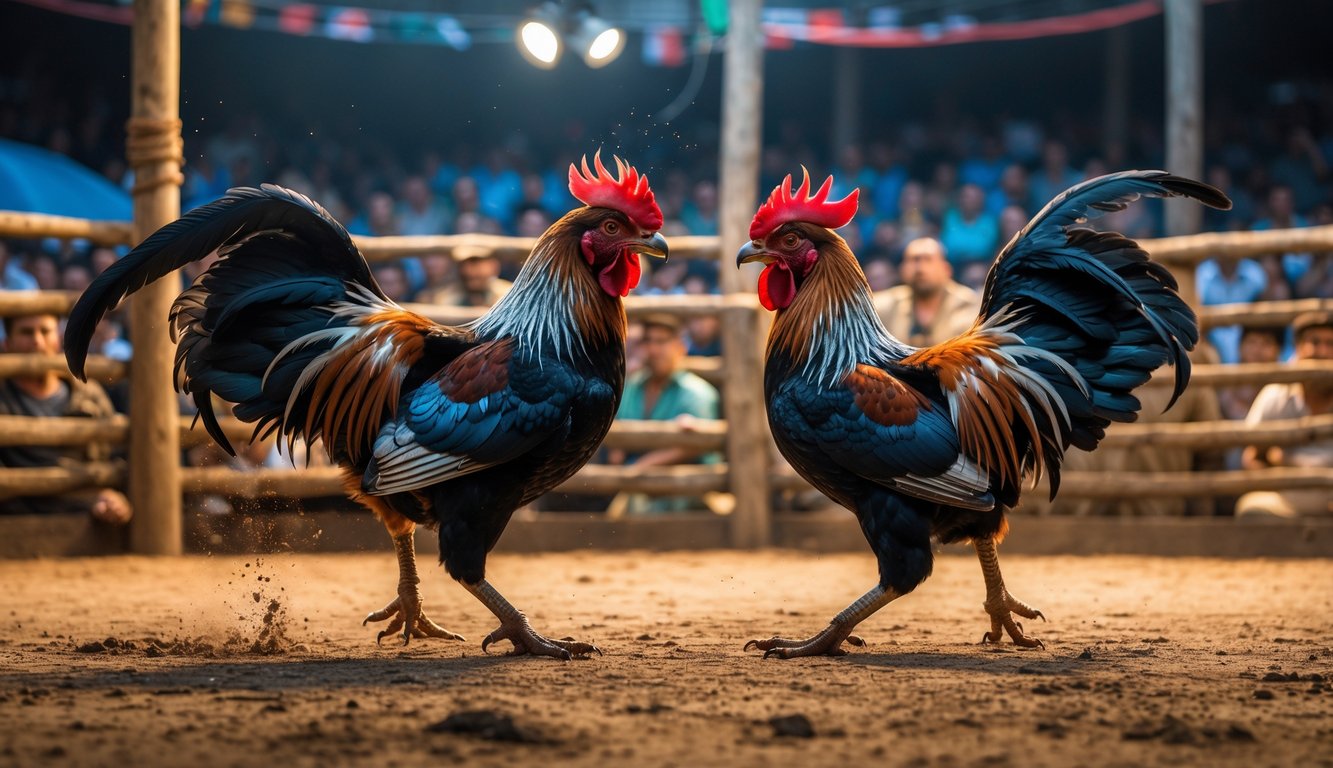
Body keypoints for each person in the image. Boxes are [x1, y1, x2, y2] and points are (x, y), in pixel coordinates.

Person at [0, 313, 131, 524]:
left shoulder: (88, 395)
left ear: (58, 338)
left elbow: (115, 459)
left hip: (92, 521)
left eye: (45, 331)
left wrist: (113, 497)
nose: (37, 340)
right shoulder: (3, 398)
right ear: (7, 343)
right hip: (21, 520)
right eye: (26, 332)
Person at [607, 314, 721, 515]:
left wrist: (643, 466)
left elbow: (693, 447)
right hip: (635, 485)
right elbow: (617, 434)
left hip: (688, 491)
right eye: (648, 341)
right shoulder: (632, 387)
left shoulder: (698, 392)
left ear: (680, 346)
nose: (653, 349)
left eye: (661, 341)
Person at [1235, 311, 1333, 519]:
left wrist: (1281, 458)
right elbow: (1251, 457)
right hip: (1287, 500)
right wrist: (1279, 473)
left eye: (1330, 344)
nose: (1323, 352)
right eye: (1314, 342)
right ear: (1298, 349)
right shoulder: (1276, 394)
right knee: (1252, 510)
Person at [873, 237, 981, 347]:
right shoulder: (883, 307)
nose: (920, 268)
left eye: (928, 260)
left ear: (946, 269)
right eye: (914, 260)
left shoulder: (969, 305)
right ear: (903, 270)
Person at [422, 245, 512, 308]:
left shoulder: (509, 296)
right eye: (463, 264)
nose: (468, 270)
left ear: (493, 265)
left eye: (475, 262)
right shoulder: (443, 300)